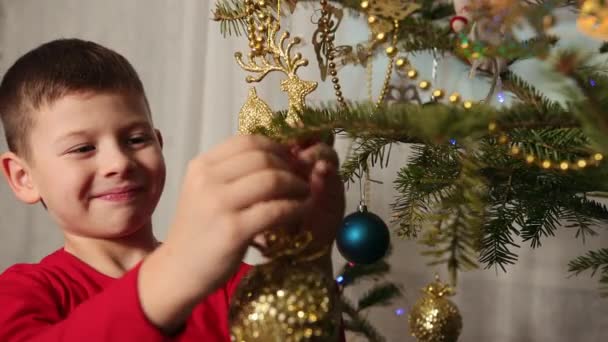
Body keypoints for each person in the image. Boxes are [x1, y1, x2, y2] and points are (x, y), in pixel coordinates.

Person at [0, 38, 346, 341]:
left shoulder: (236, 284)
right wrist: (180, 267)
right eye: (82, 149)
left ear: (159, 143)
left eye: (136, 139)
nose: (118, 163)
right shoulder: (23, 294)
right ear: (22, 177)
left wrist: (308, 262)